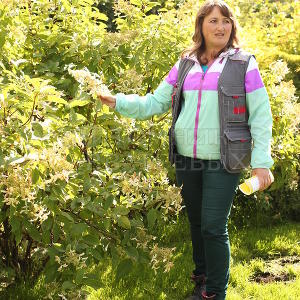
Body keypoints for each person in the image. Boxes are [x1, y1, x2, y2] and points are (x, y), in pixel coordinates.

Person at [98, 1, 273, 299]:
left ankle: (215, 292)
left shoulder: (244, 63)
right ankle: (202, 278)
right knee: (196, 222)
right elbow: (155, 102)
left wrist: (261, 163)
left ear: (232, 26)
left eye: (226, 21)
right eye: (214, 21)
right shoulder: (185, 63)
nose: (221, 27)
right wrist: (119, 102)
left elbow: (261, 115)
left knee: (213, 227)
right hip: (187, 158)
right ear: (201, 26)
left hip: (225, 158)